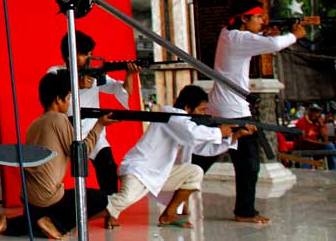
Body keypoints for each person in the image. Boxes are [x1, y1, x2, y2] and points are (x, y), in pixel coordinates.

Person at [191, 0, 305, 224]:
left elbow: (256, 40)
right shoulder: (239, 38)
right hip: (233, 111)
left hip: (223, 107)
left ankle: (179, 191)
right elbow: (272, 46)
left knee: (205, 159)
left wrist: (264, 33)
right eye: (257, 17)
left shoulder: (229, 33)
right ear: (244, 18)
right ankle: (244, 211)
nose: (261, 21)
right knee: (249, 164)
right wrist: (296, 36)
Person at [0, 70, 113, 240]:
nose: (69, 102)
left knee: (39, 216)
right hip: (47, 198)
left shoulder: (35, 123)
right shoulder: (59, 119)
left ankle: (8, 223)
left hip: (29, 198)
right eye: (68, 97)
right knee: (100, 199)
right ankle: (51, 223)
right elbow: (80, 154)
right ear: (58, 99)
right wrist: (99, 125)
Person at [104, 85, 256, 229]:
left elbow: (203, 148)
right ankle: (83, 213)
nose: (203, 114)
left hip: (159, 172)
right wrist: (218, 132)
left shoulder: (185, 123)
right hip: (140, 170)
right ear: (188, 108)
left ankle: (169, 214)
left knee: (195, 172)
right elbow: (192, 134)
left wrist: (235, 136)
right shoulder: (170, 115)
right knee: (123, 200)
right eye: (201, 110)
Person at [46, 30, 141, 194]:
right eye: (84, 54)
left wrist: (130, 74)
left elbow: (123, 90)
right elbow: (51, 93)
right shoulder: (55, 72)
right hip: (63, 131)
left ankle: (109, 209)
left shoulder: (96, 74)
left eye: (90, 54)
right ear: (70, 56)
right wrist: (78, 84)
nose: (89, 58)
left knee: (108, 166)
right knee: (51, 172)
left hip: (93, 131)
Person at [295, 103, 336, 170]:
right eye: (313, 111)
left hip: (316, 147)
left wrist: (321, 126)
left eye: (317, 112)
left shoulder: (320, 121)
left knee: (330, 146)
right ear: (309, 111)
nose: (315, 114)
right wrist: (320, 143)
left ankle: (334, 171)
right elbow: (303, 139)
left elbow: (326, 140)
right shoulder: (301, 121)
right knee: (306, 168)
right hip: (304, 148)